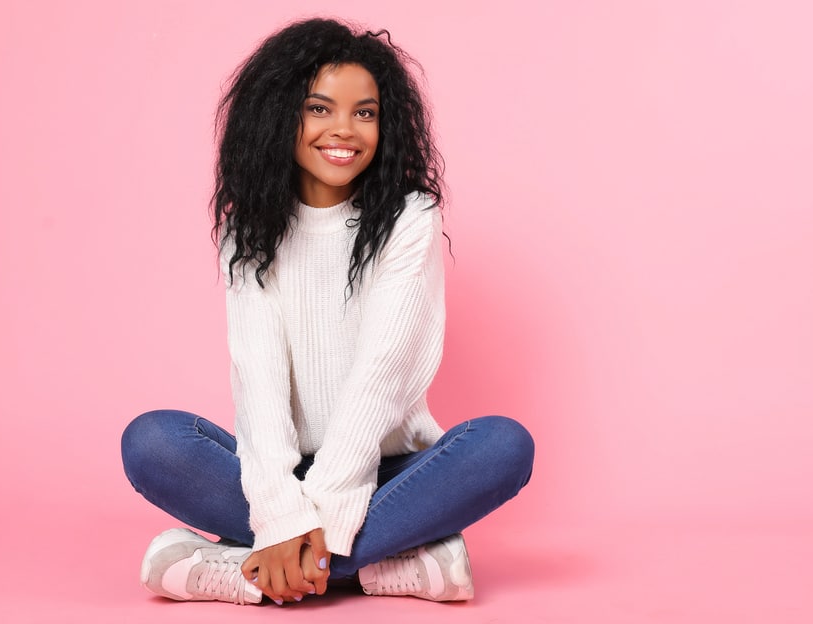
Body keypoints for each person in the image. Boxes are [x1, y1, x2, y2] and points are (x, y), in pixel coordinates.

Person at [120, 17, 534, 608]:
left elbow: (380, 376)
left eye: (365, 113)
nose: (345, 130)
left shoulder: (409, 219)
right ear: (280, 114)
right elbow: (257, 379)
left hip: (386, 473)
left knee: (502, 446)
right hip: (279, 467)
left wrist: (314, 517)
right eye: (321, 108)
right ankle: (385, 566)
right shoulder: (248, 227)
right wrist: (280, 511)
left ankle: (241, 571)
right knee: (152, 441)